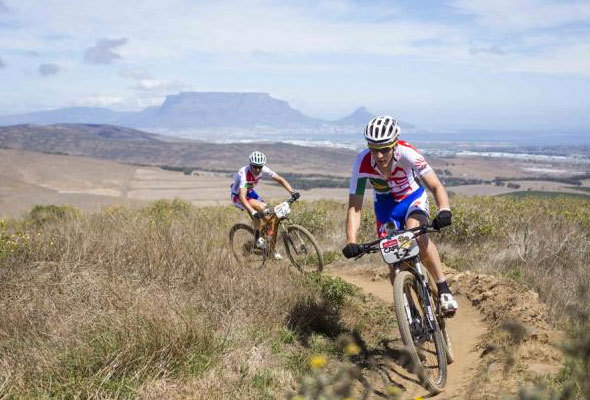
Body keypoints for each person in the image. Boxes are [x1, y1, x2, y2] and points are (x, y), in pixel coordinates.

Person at [341, 116, 458, 317]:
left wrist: (444, 209)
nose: (379, 155)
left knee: (417, 235)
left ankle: (443, 287)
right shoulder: (361, 163)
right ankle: (409, 310)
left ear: (394, 144)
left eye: (385, 149)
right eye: (374, 148)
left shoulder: (407, 153)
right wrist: (351, 241)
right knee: (393, 262)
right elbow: (355, 207)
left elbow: (435, 185)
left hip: (412, 199)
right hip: (386, 208)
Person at [230, 150, 300, 260]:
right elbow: (243, 197)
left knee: (271, 217)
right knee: (259, 212)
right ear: (250, 164)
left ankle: (268, 248)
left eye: (260, 167)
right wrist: (253, 211)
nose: (257, 170)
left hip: (250, 192)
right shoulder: (244, 174)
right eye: (255, 167)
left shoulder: (264, 169)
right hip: (239, 196)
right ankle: (258, 238)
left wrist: (292, 192)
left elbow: (280, 179)